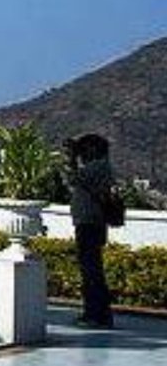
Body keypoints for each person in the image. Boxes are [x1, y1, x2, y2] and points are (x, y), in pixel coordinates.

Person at [66, 133, 115, 329]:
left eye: (84, 149)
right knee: (93, 271)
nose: (82, 153)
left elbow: (73, 178)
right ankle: (101, 314)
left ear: (93, 149)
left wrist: (71, 159)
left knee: (91, 272)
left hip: (89, 224)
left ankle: (94, 315)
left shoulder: (96, 167)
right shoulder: (102, 167)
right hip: (93, 223)